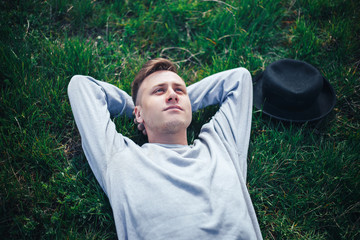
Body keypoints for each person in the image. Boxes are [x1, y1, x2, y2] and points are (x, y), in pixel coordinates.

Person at [68, 58, 262, 239]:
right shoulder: (120, 157)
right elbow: (82, 87)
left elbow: (239, 78)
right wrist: (140, 110)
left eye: (180, 90)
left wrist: (172, 105)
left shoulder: (221, 146)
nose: (172, 95)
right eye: (159, 91)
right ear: (138, 114)